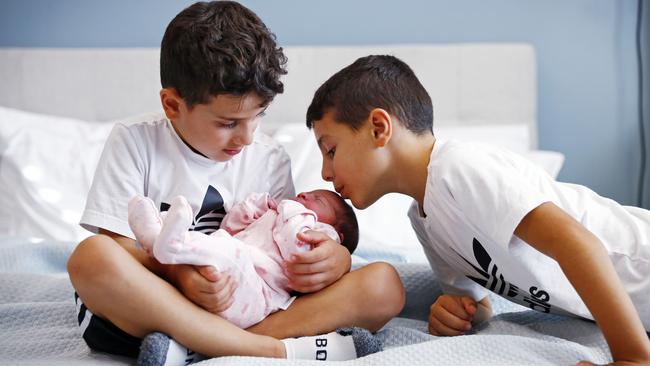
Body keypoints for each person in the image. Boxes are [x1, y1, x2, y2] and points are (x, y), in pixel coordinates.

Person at [66, 2, 405, 365]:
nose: (246, 137)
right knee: (91, 257)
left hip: (247, 310)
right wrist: (178, 273)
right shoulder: (134, 140)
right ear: (172, 105)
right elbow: (119, 243)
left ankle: (194, 348)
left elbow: (280, 259)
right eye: (228, 123)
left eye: (257, 116)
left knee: (384, 285)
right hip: (151, 310)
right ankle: (273, 351)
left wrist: (333, 262)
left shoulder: (269, 156)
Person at [304, 54, 650, 365]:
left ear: (379, 128)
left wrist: (632, 357)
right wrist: (459, 312)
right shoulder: (425, 219)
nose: (325, 173)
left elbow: (578, 243)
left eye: (331, 150)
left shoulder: (459, 168)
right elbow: (481, 302)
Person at [127, 189, 360, 329]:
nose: (305, 194)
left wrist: (292, 210)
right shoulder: (278, 215)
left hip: (257, 293)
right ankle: (157, 238)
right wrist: (256, 207)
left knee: (229, 251)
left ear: (337, 233)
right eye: (309, 192)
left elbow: (294, 249)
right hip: (233, 268)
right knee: (219, 241)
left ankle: (170, 244)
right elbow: (231, 227)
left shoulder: (322, 235)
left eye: (318, 200)